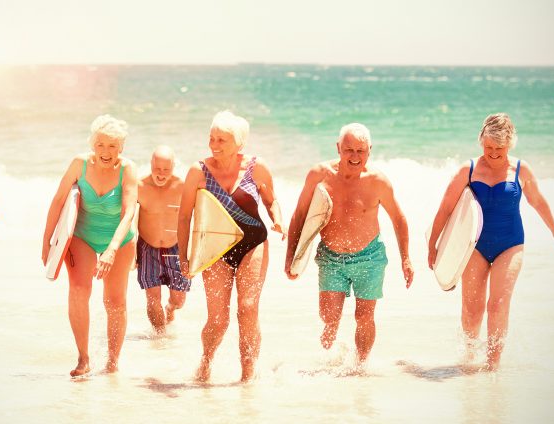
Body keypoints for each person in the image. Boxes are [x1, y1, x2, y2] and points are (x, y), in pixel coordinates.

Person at [428, 113, 554, 371]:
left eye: (500, 149)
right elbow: (446, 209)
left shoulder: (520, 169)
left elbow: (537, 201)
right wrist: (432, 247)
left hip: (510, 244)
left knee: (497, 305)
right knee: (472, 309)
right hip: (475, 246)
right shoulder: (468, 170)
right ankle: (469, 360)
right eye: (488, 147)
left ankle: (493, 366)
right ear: (481, 142)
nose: (493, 153)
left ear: (510, 144)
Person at [285, 123, 413, 373]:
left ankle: (360, 367)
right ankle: (328, 361)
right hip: (331, 258)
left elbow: (399, 219)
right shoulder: (319, 175)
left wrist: (406, 259)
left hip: (369, 257)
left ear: (370, 151)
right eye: (349, 150)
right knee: (329, 317)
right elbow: (300, 214)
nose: (355, 157)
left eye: (361, 151)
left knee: (364, 316)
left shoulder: (378, 181)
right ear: (338, 148)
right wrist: (292, 255)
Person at [178, 111, 285, 382]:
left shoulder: (256, 167)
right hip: (214, 248)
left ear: (240, 143)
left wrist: (278, 220)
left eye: (221, 140)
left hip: (253, 244)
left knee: (248, 308)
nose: (214, 144)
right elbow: (184, 216)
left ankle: (247, 376)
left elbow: (271, 200)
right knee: (218, 318)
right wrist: (184, 256)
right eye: (211, 138)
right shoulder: (198, 171)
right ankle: (206, 362)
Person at [41, 115, 137, 377]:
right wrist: (48, 241)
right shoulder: (79, 164)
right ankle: (83, 359)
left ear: (122, 148)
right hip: (83, 235)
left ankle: (113, 362)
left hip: (119, 239)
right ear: (93, 144)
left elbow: (128, 213)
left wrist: (112, 249)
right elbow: (59, 200)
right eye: (101, 145)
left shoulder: (127, 170)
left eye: (113, 146)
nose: (106, 152)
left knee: (114, 302)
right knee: (79, 290)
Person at [136, 145, 190, 335]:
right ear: (150, 164)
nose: (161, 174)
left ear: (173, 166)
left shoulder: (182, 186)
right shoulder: (139, 186)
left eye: (166, 169)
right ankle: (160, 339)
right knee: (152, 298)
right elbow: (127, 218)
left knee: (179, 300)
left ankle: (171, 309)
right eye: (157, 168)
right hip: (147, 247)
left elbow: (198, 216)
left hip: (175, 247)